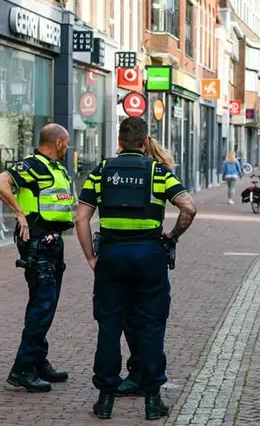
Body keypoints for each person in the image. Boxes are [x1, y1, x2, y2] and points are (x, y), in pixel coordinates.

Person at [75, 117, 197, 421]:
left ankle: (105, 400)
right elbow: (189, 207)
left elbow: (81, 219)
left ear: (120, 141)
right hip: (149, 257)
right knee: (151, 326)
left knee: (109, 327)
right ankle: (153, 399)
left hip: (112, 256)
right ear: (145, 142)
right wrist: (172, 236)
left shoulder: (101, 171)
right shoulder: (158, 172)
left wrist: (91, 257)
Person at [0, 124, 75, 393]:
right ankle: (22, 369)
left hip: (51, 241)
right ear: (59, 143)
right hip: (38, 242)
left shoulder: (55, 168)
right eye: (67, 143)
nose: (68, 147)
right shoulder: (33, 166)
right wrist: (19, 213)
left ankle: (38, 360)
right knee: (42, 305)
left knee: (44, 304)